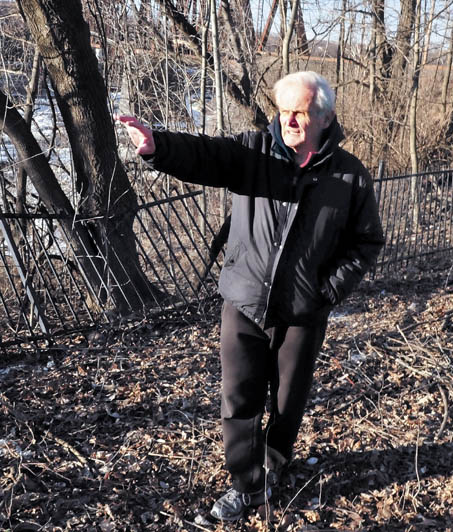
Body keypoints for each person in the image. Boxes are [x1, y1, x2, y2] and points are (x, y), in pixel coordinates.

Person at [117, 71, 384, 522]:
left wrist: (327, 291)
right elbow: (205, 155)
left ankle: (275, 462)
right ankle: (247, 486)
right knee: (239, 399)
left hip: (302, 311)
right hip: (243, 300)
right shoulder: (254, 151)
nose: (291, 122)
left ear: (324, 117)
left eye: (301, 113)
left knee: (287, 401)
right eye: (284, 112)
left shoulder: (349, 175)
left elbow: (367, 242)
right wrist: (156, 146)